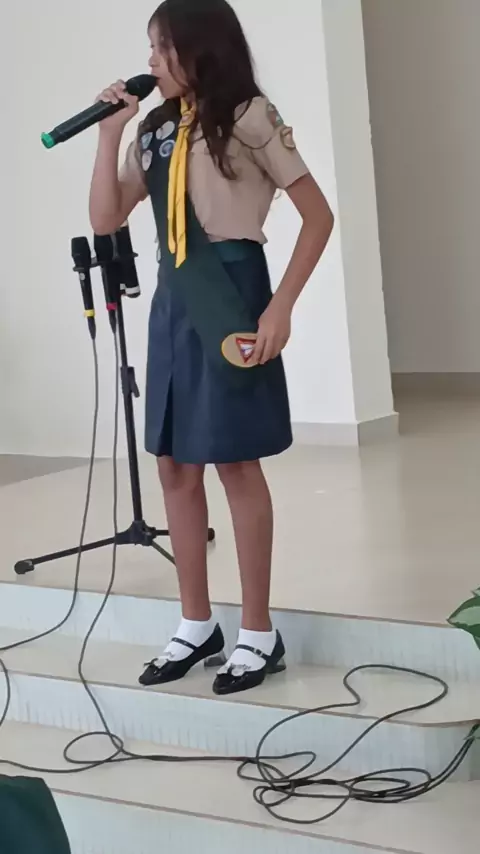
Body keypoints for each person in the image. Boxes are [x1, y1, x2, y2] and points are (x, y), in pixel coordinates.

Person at [89, 0, 334, 695]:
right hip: (175, 301)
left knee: (235, 462)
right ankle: (196, 624)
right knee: (173, 464)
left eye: (161, 47)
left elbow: (318, 215)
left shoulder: (248, 116)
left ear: (200, 48)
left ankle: (258, 632)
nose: (150, 61)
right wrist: (110, 135)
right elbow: (106, 217)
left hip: (231, 295)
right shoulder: (155, 130)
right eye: (149, 48)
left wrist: (280, 307)